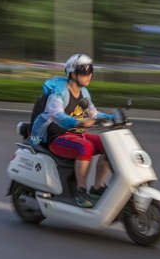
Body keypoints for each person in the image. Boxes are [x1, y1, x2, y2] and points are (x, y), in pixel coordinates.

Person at [29, 53, 113, 208]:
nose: (89, 75)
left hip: (76, 134)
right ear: (73, 74)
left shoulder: (83, 93)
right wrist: (78, 122)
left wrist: (112, 117)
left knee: (110, 145)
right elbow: (57, 115)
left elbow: (92, 113)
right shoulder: (59, 93)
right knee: (85, 147)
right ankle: (81, 191)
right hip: (57, 137)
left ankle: (97, 187)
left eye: (90, 70)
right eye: (84, 71)